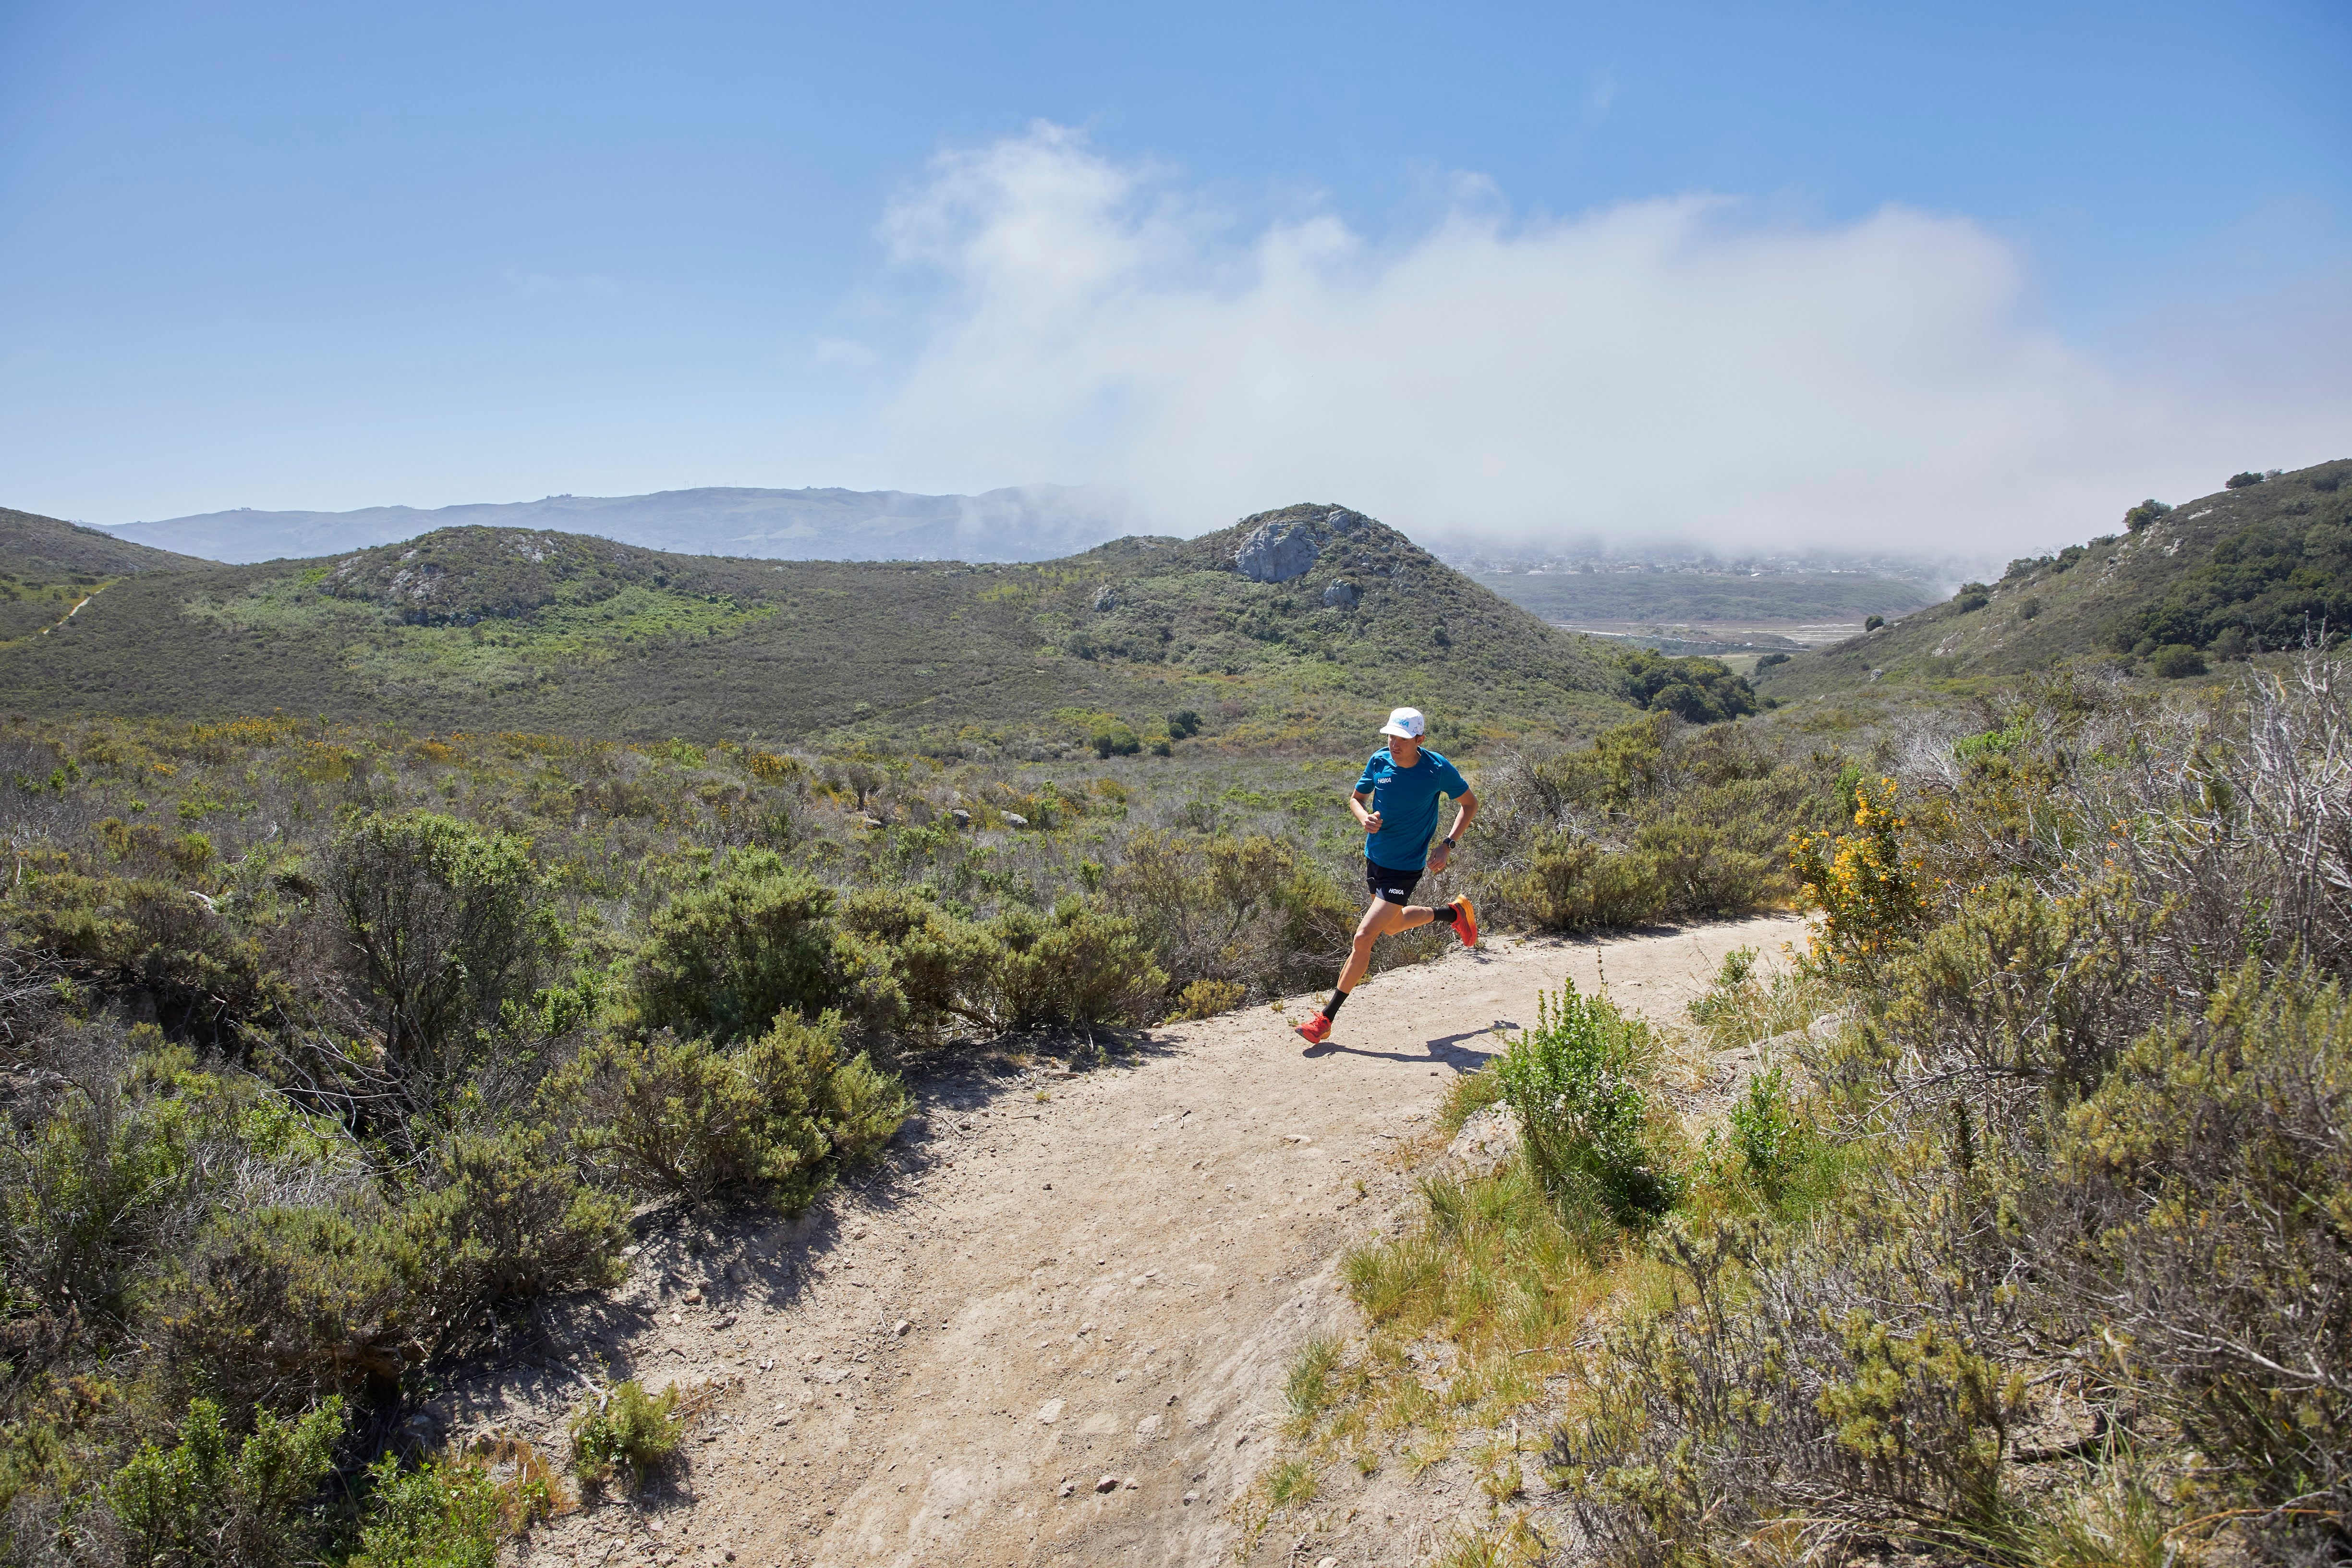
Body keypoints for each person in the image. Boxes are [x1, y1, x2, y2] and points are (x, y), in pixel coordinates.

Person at [1295, 706, 1479, 1046]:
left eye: (1402, 738)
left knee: (1364, 936)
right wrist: (1363, 817)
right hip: (1376, 858)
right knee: (1393, 926)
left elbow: (1470, 804)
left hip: (1405, 866)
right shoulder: (1379, 760)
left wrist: (1447, 844)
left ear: (1420, 739)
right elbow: (1356, 799)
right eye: (1391, 736)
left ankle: (1325, 1019)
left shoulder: (1437, 769)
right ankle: (1454, 913)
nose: (1394, 743)